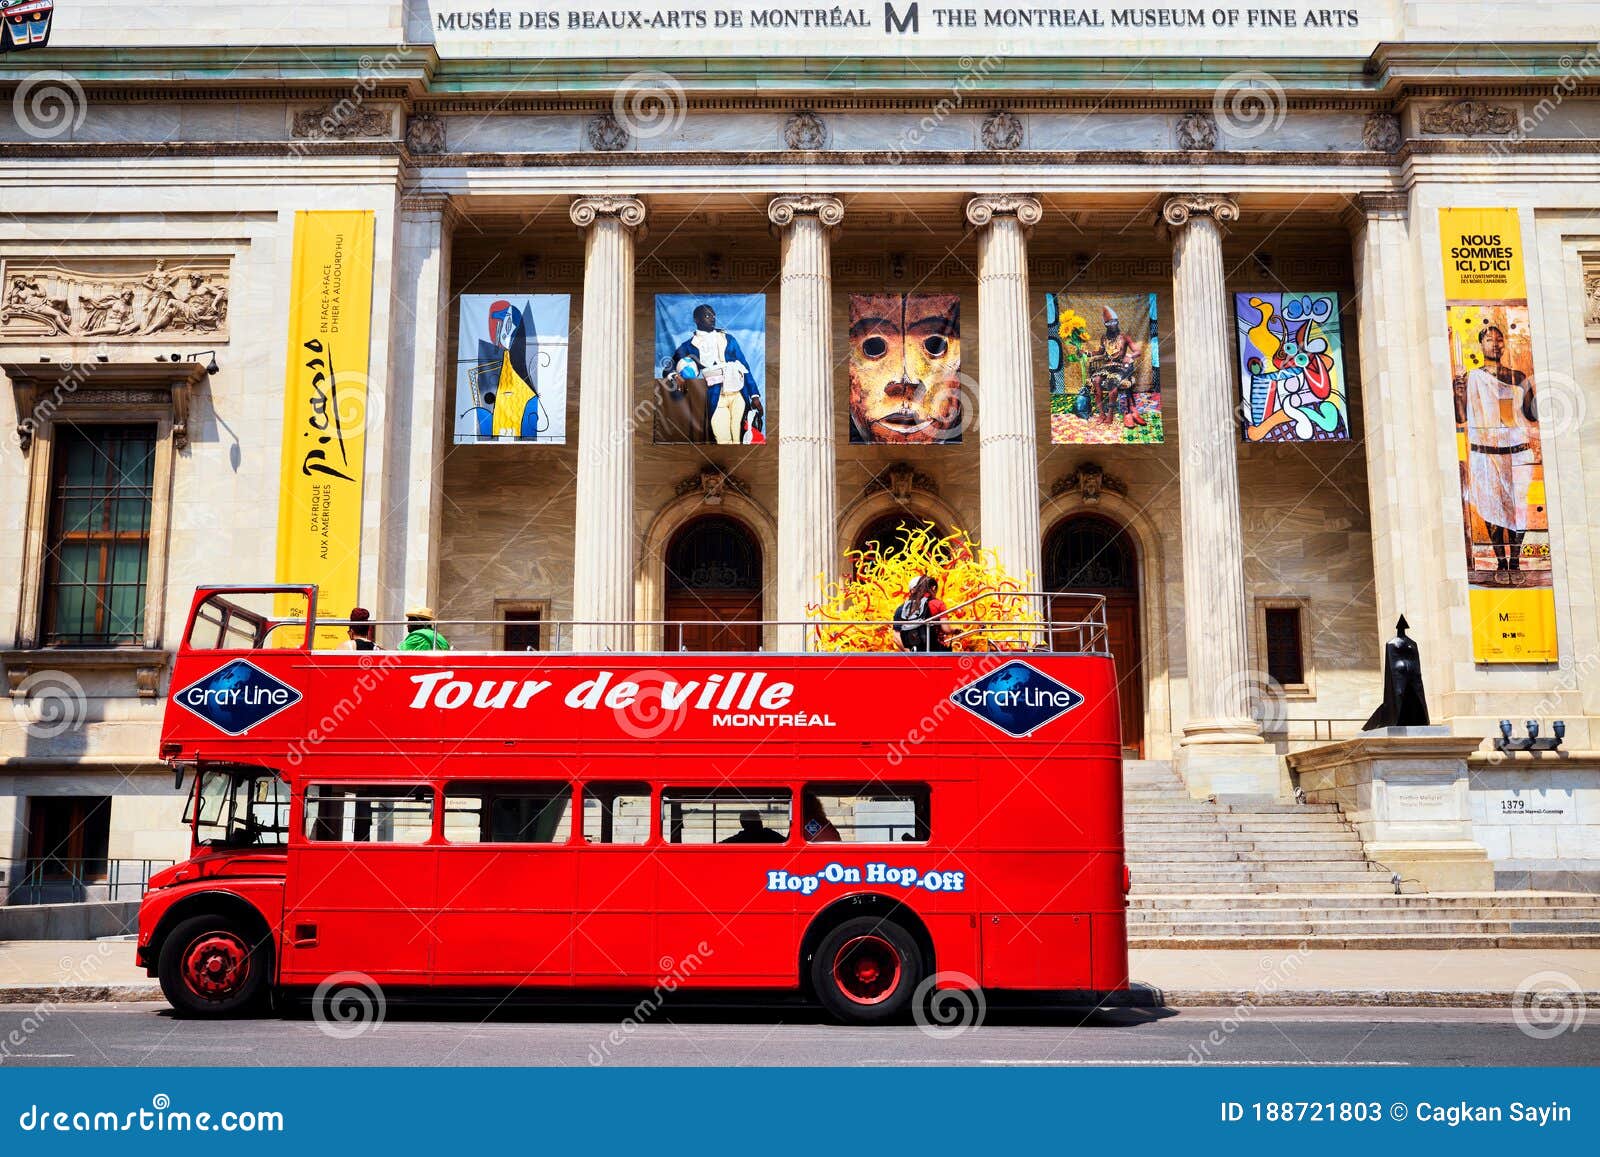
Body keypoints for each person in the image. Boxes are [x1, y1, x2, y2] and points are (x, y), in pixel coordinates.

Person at [1463, 324, 1536, 586]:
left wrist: (1528, 388)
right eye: (1489, 340)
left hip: (1517, 452)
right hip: (1486, 454)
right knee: (1493, 508)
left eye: (1499, 340)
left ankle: (1515, 562)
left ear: (1504, 344)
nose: (1494, 344)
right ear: (1481, 345)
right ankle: (1501, 562)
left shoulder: (1517, 376)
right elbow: (1461, 416)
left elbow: (1532, 414)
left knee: (1518, 508)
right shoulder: (1473, 378)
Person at [669, 303, 762, 444]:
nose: (712, 318)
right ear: (697, 319)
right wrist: (676, 376)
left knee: (740, 439)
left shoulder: (728, 339)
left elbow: (745, 366)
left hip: (739, 394)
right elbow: (668, 367)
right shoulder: (689, 345)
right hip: (715, 396)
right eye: (707, 316)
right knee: (723, 440)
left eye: (713, 315)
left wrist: (754, 396)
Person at [893, 575, 953, 653]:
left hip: (914, 652)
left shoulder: (901, 609)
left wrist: (908, 652)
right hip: (936, 651)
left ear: (911, 591)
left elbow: (896, 637)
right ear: (933, 588)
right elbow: (946, 629)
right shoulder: (937, 604)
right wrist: (954, 630)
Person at [719, 809, 785, 844]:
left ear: (742, 824)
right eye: (758, 819)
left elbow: (721, 845)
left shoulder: (740, 838)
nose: (761, 821)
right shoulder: (769, 834)